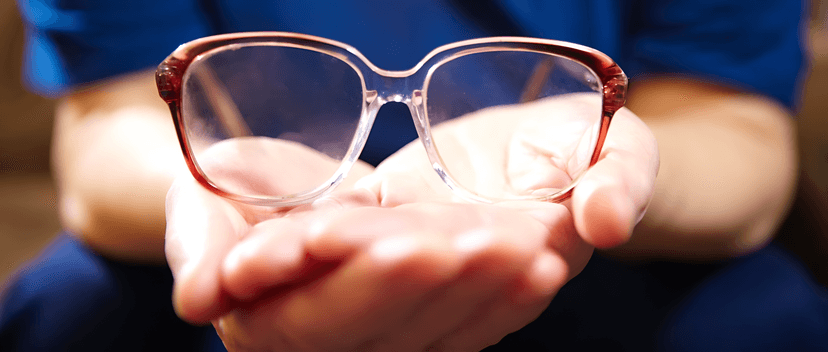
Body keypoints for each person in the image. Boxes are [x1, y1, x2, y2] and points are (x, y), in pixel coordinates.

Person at [2, 0, 826, 351]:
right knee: (68, 311)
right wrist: (228, 188)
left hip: (601, 244)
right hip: (236, 217)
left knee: (770, 317)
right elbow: (109, 122)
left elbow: (734, 126)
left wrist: (610, 171)